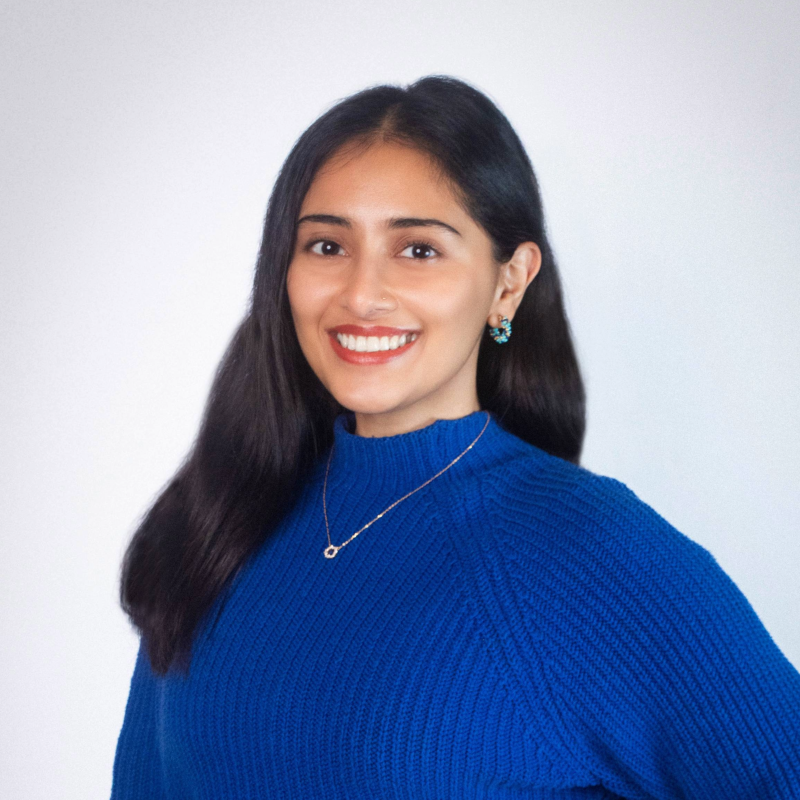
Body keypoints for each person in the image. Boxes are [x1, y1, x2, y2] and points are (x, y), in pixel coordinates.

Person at [111, 76, 800, 799]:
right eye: (325, 244)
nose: (361, 293)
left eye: (418, 250)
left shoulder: (586, 551)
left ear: (509, 282)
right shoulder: (222, 522)